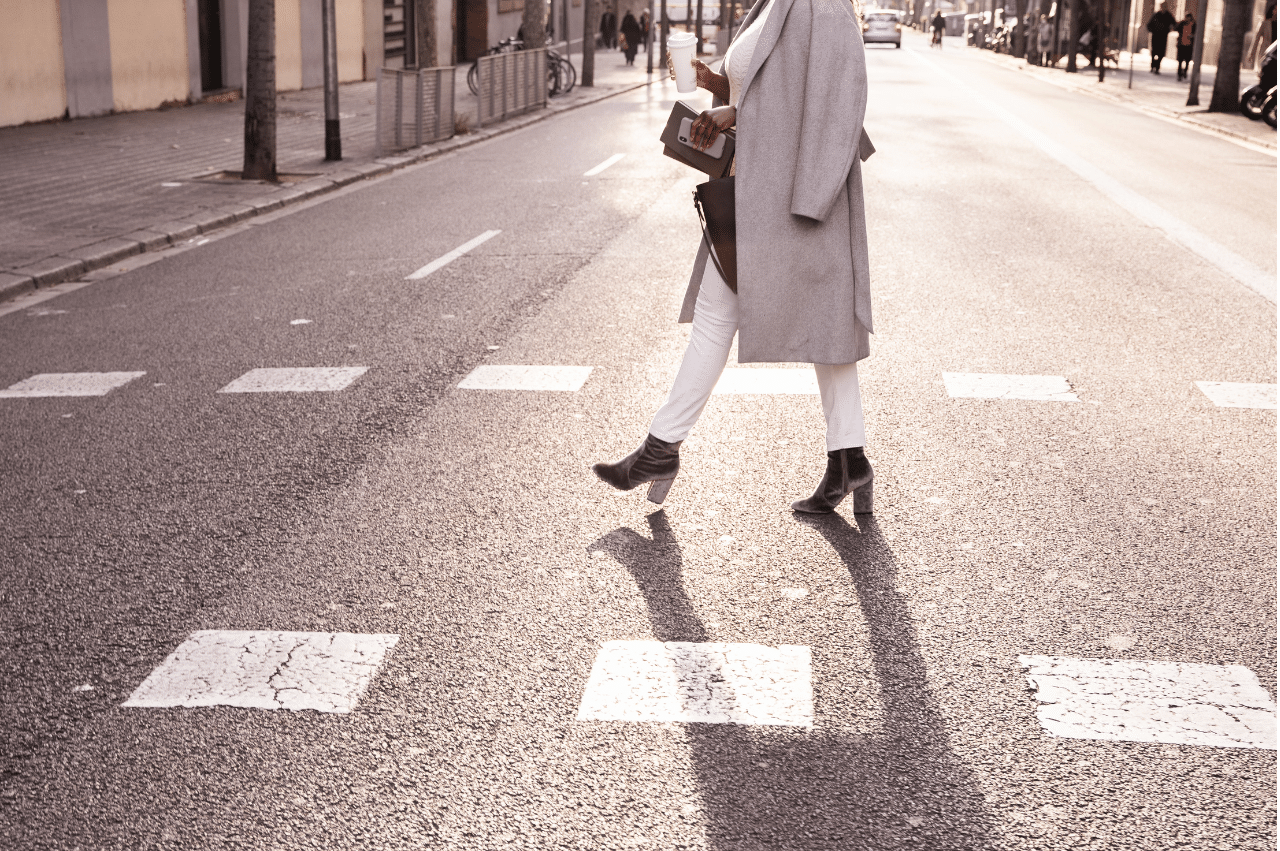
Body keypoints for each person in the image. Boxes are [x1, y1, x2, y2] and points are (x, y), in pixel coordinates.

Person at [593, 0, 878, 515]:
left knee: (807, 325)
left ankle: (661, 450)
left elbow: (842, 102)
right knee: (799, 324)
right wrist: (720, 95)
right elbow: (765, 90)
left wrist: (811, 202)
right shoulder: (771, 5)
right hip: (753, 191)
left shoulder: (827, 7)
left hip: (797, 198)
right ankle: (848, 460)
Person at [1146, 2, 1176, 74]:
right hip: (1155, 36)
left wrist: (1170, 29)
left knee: (1161, 53)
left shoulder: (1168, 15)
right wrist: (1152, 30)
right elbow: (1149, 25)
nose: (1163, 8)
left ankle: (1157, 67)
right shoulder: (1156, 14)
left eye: (1165, 6)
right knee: (1154, 52)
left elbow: (1174, 24)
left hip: (1163, 37)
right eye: (1162, 6)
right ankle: (1153, 66)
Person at [1175, 12, 1195, 80]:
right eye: (1186, 17)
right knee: (1180, 61)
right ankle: (1179, 74)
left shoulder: (1194, 24)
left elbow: (1196, 33)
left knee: (1187, 61)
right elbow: (1176, 28)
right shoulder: (1182, 23)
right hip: (1181, 44)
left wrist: (1192, 36)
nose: (1187, 19)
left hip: (1189, 45)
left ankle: (1185, 71)